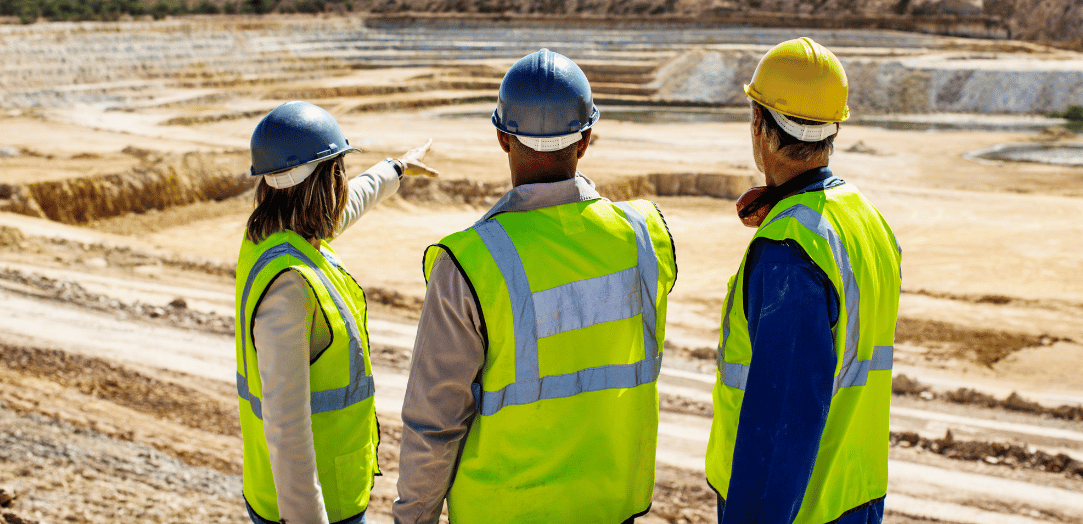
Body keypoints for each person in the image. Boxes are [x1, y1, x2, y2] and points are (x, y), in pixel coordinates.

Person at [394, 48, 677, 524]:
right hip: (613, 507)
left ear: (503, 138)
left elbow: (433, 424)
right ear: (586, 139)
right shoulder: (643, 237)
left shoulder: (470, 263)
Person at [706, 37, 903, 524]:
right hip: (856, 496)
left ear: (759, 125)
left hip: (799, 512)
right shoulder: (866, 220)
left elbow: (778, 433)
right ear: (834, 129)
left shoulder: (790, 252)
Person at [235, 101, 437, 524]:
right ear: (324, 179)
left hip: (294, 495)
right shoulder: (288, 285)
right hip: (313, 507)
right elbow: (286, 428)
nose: (345, 178)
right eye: (340, 168)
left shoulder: (271, 235)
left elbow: (343, 210)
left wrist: (395, 169)